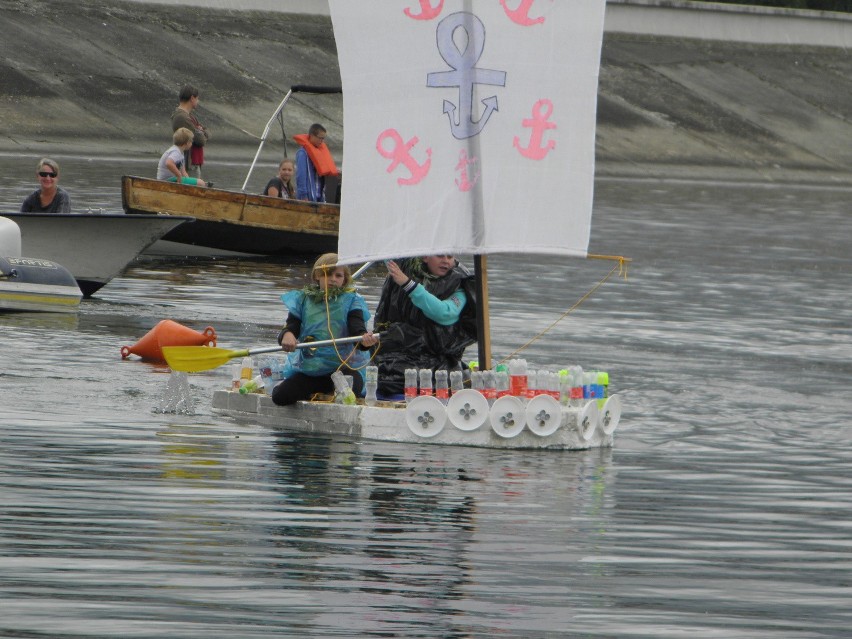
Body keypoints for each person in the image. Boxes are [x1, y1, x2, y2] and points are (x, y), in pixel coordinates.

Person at [271, 253, 379, 406]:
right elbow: (291, 326)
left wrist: (365, 340)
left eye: (338, 276)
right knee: (280, 397)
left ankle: (331, 390)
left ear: (345, 279)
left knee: (352, 389)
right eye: (328, 274)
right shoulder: (303, 300)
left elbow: (357, 329)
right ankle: (320, 389)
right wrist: (287, 335)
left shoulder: (352, 300)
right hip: (312, 370)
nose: (333, 279)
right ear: (317, 276)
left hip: (344, 369)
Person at [372, 255, 477, 398]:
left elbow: (445, 313)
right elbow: (389, 253)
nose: (445, 260)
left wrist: (408, 284)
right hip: (400, 352)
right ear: (426, 257)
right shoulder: (407, 268)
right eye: (440, 256)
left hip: (438, 358)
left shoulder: (461, 285)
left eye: (450, 257)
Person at [170, 83, 209, 178]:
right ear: (192, 98)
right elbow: (200, 140)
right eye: (197, 98)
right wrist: (201, 131)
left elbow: (207, 132)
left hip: (193, 162)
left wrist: (201, 131)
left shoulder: (190, 116)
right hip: (188, 163)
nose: (198, 101)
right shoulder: (181, 117)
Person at [294, 123, 339, 202]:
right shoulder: (302, 153)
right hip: (308, 198)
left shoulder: (320, 153)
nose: (322, 141)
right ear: (312, 135)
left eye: (323, 138)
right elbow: (301, 176)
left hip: (319, 196)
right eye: (320, 138)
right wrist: (303, 196)